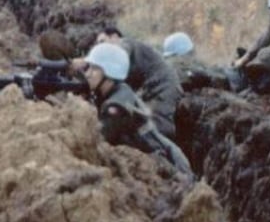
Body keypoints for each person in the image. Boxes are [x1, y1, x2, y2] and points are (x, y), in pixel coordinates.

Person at [82, 42, 192, 176]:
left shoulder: (117, 107)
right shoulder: (118, 91)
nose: (88, 74)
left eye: (94, 69)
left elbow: (95, 140)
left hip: (168, 168)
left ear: (109, 73)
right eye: (88, 68)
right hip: (161, 160)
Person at [87, 26, 183, 139]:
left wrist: (87, 61)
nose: (101, 47)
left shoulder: (125, 44)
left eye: (102, 41)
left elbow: (118, 54)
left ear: (114, 37)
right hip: (149, 88)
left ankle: (163, 153)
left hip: (164, 86)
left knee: (159, 124)